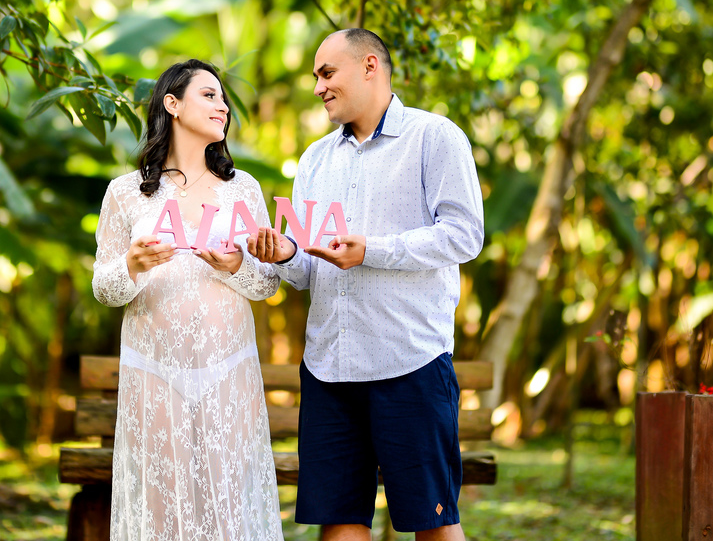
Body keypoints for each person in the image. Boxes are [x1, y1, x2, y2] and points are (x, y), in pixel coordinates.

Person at [248, 29, 485, 541]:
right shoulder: (314, 160)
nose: (317, 88)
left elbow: (465, 236)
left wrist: (370, 252)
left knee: (434, 523)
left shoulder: (435, 137)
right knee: (338, 523)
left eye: (327, 73)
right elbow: (309, 272)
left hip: (410, 364)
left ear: (370, 66)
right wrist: (287, 252)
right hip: (329, 369)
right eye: (316, 76)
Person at [91, 59, 285, 541]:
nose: (223, 107)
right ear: (172, 105)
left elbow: (267, 285)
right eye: (210, 95)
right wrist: (134, 265)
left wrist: (235, 266)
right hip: (153, 371)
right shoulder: (125, 194)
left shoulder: (244, 190)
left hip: (229, 369)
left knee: (227, 503)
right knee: (162, 506)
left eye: (224, 99)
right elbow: (104, 289)